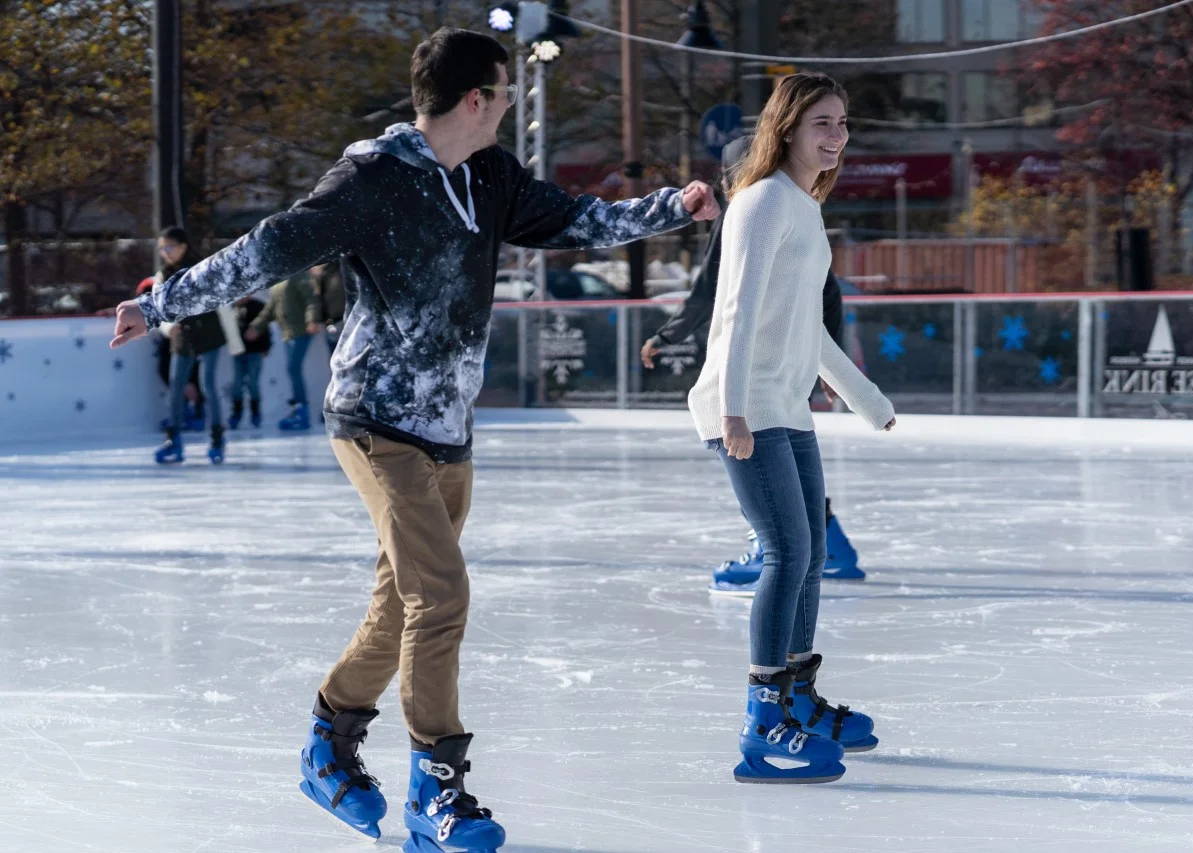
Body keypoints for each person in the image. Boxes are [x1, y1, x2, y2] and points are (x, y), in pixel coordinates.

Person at [110, 27, 718, 852]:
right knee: (443, 595)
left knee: (402, 605)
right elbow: (268, 250)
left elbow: (576, 219)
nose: (509, 105)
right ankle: (439, 786)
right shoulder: (372, 178)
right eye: (505, 93)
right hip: (374, 421)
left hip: (448, 425)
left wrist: (667, 208)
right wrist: (162, 302)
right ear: (477, 97)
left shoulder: (491, 175)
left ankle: (329, 737)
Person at [686, 73, 895, 784]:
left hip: (784, 403)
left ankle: (798, 700)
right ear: (786, 130)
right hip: (744, 404)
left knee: (808, 556)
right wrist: (735, 408)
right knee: (786, 551)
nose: (836, 136)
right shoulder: (762, 201)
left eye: (842, 122)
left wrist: (867, 399)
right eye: (821, 124)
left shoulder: (804, 205)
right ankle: (763, 718)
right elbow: (737, 309)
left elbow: (807, 329)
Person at [640, 137, 864, 594]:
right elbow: (828, 292)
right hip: (788, 364)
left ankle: (772, 548)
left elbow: (710, 292)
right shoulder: (791, 205)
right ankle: (830, 545)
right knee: (782, 465)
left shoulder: (750, 211)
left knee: (763, 465)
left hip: (756, 373)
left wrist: (668, 335)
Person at [152, 227, 242, 465]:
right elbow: (158, 307)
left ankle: (216, 440)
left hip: (209, 332)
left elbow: (223, 303)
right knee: (176, 387)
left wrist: (234, 342)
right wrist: (168, 328)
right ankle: (174, 440)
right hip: (182, 336)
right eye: (161, 248)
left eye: (169, 247)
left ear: (183, 246)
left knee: (208, 385)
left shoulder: (202, 269)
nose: (165, 253)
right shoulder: (163, 275)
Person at [245, 272, 319, 430]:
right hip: (288, 333)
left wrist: (312, 320)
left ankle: (302, 410)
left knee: (293, 369)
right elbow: (270, 309)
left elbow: (311, 300)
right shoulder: (278, 282)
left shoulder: (299, 276)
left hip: (300, 331)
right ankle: (298, 407)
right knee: (292, 370)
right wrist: (256, 326)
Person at [229, 294, 271, 429]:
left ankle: (255, 412)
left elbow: (265, 329)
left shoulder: (258, 306)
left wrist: (265, 347)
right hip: (238, 352)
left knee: (253, 383)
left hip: (254, 351)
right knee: (237, 383)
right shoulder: (232, 308)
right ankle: (236, 412)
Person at [309, 262, 346, 355]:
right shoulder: (320, 277)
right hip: (332, 322)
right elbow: (316, 300)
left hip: (342, 319)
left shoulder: (340, 271)